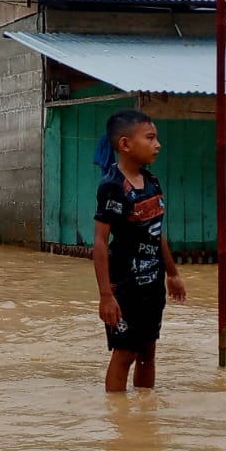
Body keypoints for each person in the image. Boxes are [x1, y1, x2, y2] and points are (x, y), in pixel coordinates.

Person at [93, 109, 187, 393]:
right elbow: (99, 242)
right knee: (125, 355)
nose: (157, 144)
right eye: (150, 137)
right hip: (124, 288)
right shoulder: (112, 186)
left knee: (147, 353)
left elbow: (156, 233)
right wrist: (106, 296)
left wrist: (172, 273)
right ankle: (119, 426)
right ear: (125, 144)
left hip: (152, 285)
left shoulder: (152, 182)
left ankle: (145, 421)